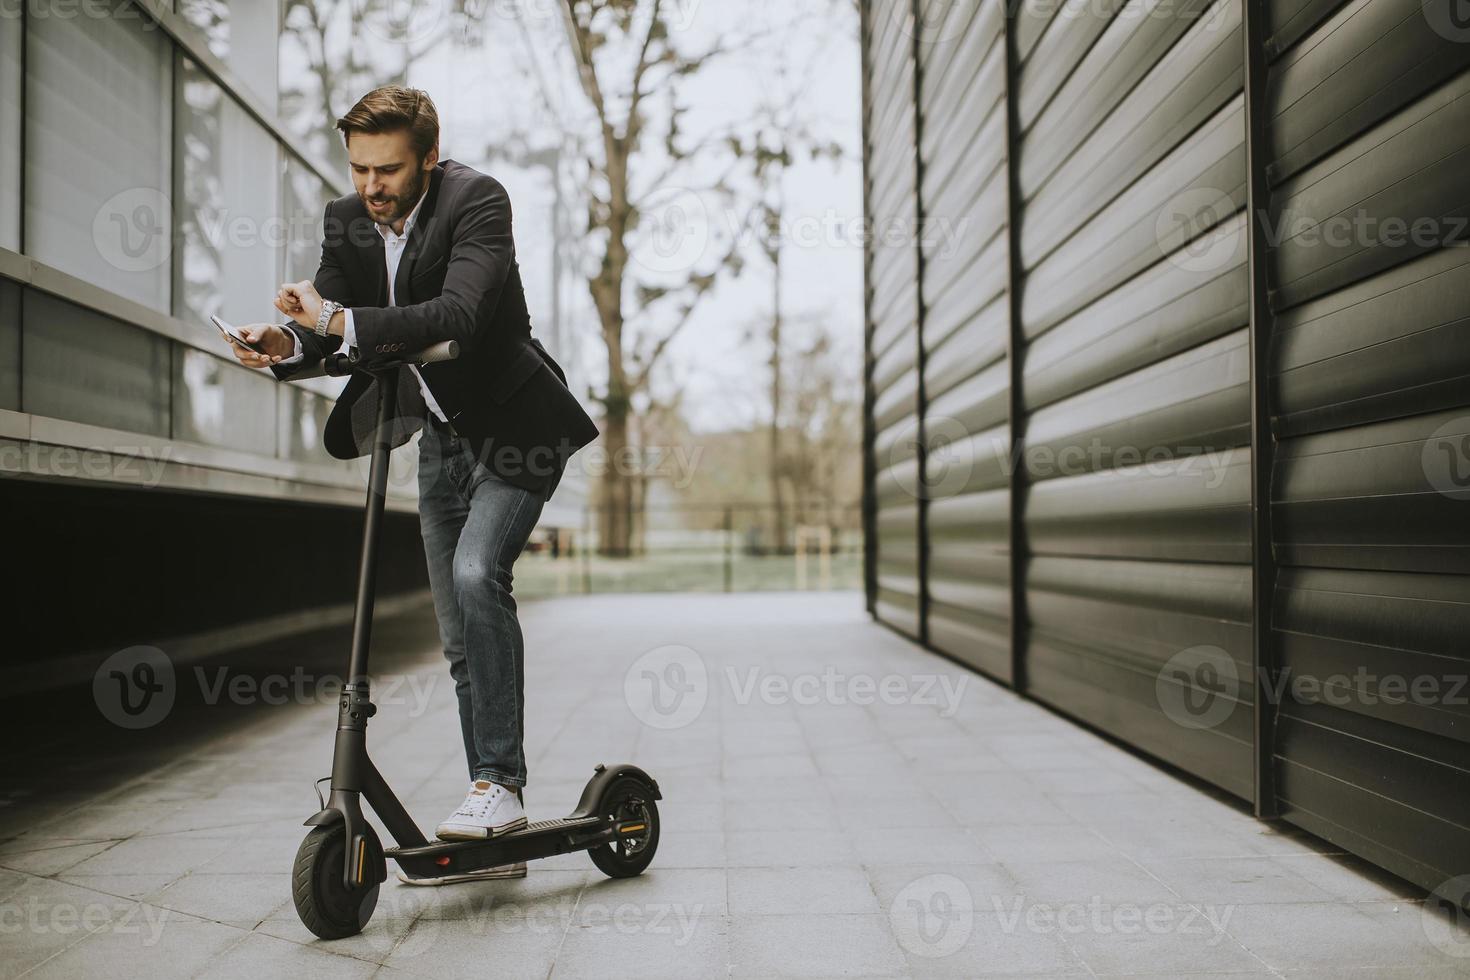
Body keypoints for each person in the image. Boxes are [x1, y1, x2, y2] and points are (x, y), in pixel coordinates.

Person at [225, 86, 600, 883]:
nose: (371, 186)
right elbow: (334, 322)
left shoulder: (477, 202)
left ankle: (502, 783)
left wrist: (333, 322)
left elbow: (457, 317)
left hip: (518, 433)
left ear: (428, 155)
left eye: (388, 169)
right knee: (458, 632)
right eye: (360, 168)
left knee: (477, 574)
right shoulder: (348, 219)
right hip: (439, 442)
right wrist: (286, 342)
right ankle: (489, 819)